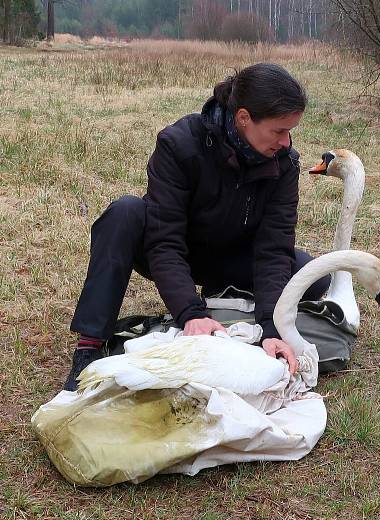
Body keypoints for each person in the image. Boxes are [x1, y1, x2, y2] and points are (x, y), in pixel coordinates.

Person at [62, 63, 329, 391]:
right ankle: (89, 347)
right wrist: (190, 313)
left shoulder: (284, 164)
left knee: (312, 276)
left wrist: (273, 332)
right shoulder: (179, 144)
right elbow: (164, 240)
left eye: (291, 131)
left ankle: (221, 302)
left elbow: (274, 248)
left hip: (230, 258)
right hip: (177, 253)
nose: (286, 142)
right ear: (244, 118)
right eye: (278, 131)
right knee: (124, 213)